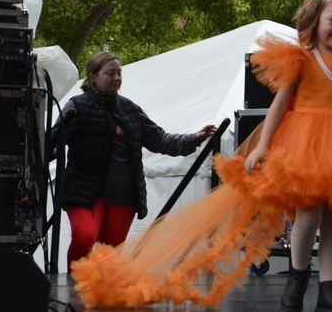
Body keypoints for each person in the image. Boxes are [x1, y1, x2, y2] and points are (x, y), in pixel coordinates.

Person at [73, 0, 332, 312]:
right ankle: (298, 277)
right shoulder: (302, 61)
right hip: (304, 143)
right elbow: (280, 106)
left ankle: (328, 290)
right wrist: (261, 148)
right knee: (310, 211)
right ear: (315, 19)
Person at [48, 50, 216, 267]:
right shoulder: (77, 106)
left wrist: (194, 138)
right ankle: (72, 288)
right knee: (85, 236)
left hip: (123, 197)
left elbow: (160, 139)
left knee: (110, 255)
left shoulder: (129, 109)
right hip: (86, 192)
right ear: (92, 77)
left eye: (119, 74)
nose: (117, 78)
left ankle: (100, 296)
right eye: (110, 73)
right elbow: (52, 143)